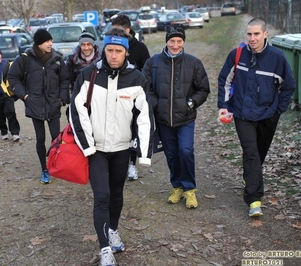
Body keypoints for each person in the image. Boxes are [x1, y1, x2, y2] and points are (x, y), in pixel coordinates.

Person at [69, 27, 153, 266]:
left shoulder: (137, 79)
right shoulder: (87, 75)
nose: (113, 55)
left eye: (118, 51)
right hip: (96, 149)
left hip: (122, 149)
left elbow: (145, 116)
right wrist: (87, 146)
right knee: (102, 196)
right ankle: (105, 248)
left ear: (126, 52)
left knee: (117, 194)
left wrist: (144, 154)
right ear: (103, 50)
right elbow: (76, 112)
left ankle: (113, 230)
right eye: (109, 50)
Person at [217, 17, 296, 217]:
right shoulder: (237, 55)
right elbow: (224, 80)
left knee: (259, 154)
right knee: (250, 152)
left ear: (265, 34)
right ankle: (254, 200)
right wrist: (223, 106)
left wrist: (279, 110)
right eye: (249, 34)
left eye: (256, 34)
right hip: (242, 114)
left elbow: (288, 86)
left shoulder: (277, 58)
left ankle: (249, 177)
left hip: (268, 115)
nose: (252, 38)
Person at [142, 25, 210, 209]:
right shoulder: (153, 63)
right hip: (164, 119)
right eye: (172, 41)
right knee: (171, 154)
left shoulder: (193, 63)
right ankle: (177, 186)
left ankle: (189, 189)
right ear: (166, 41)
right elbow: (145, 88)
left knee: (186, 151)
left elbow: (203, 89)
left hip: (185, 118)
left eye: (179, 41)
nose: (175, 45)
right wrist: (157, 105)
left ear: (184, 42)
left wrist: (190, 103)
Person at [8, 29, 70, 185]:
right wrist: (25, 96)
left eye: (51, 40)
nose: (50, 44)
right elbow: (13, 77)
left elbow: (65, 80)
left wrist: (62, 99)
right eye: (47, 41)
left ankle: (56, 166)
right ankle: (44, 169)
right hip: (35, 105)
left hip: (53, 105)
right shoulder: (25, 59)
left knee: (56, 139)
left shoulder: (57, 59)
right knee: (40, 138)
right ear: (38, 43)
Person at [111, 14, 151, 181]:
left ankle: (131, 164)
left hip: (133, 97)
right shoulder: (111, 47)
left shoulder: (140, 48)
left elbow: (147, 71)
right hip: (113, 97)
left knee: (132, 131)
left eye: (118, 31)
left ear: (127, 30)